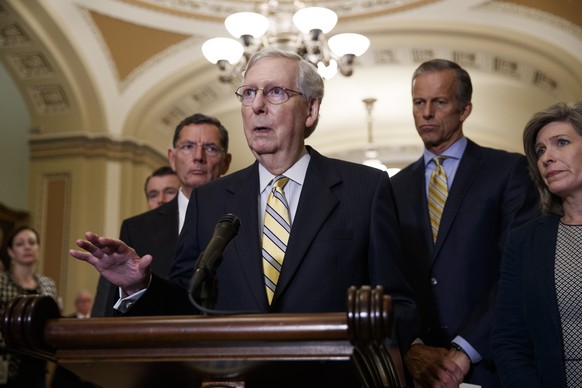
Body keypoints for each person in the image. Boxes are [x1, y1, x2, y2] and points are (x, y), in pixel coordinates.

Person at [70, 48, 419, 386]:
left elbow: (399, 303)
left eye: (275, 92)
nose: (257, 106)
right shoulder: (210, 200)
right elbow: (186, 304)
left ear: (311, 110)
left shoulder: (365, 188)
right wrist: (137, 285)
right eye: (248, 92)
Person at [390, 58, 540, 387]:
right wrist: (413, 348)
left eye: (440, 102)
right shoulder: (392, 188)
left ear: (464, 109)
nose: (426, 112)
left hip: (490, 366)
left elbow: (518, 272)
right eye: (419, 102)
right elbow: (388, 278)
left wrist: (464, 350)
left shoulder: (508, 171)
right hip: (417, 372)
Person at [91, 113, 232, 317]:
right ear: (172, 159)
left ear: (226, 162)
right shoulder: (137, 228)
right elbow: (107, 311)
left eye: (210, 148)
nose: (198, 156)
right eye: (188, 146)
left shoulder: (247, 218)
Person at [492, 101, 582, 387]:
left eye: (561, 143)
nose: (546, 157)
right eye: (540, 150)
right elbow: (509, 340)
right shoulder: (523, 241)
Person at [0, 226, 57, 387]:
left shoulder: (48, 284)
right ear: (11, 252)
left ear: (38, 248)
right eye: (20, 244)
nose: (27, 247)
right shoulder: (1, 282)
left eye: (32, 242)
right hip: (7, 362)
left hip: (39, 361)